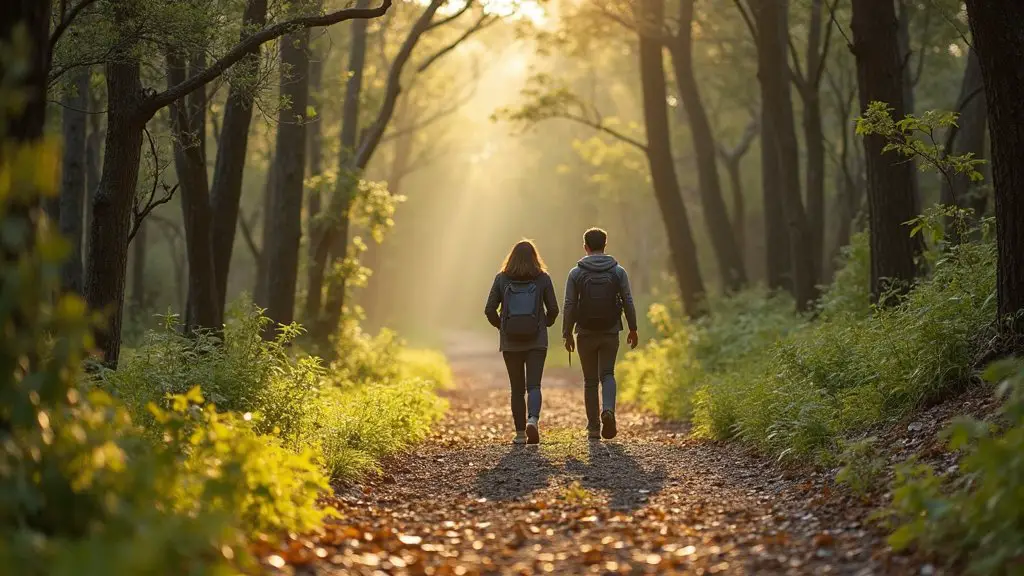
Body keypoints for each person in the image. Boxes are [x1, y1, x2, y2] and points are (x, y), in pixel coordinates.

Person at [562, 227, 638, 440]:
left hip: (585, 332)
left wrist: (566, 333)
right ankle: (609, 411)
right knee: (608, 374)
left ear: (585, 246)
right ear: (605, 245)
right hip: (610, 330)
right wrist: (633, 328)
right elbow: (628, 301)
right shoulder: (617, 271)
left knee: (590, 380)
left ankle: (594, 427)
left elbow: (569, 305)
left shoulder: (576, 273)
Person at [485, 239, 559, 445]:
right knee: (534, 385)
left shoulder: (502, 279)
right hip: (537, 340)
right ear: (535, 257)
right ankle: (532, 420)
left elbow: (489, 309)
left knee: (517, 389)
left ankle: (519, 434)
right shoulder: (542, 278)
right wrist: (544, 324)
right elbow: (553, 309)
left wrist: (503, 327)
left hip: (511, 342)